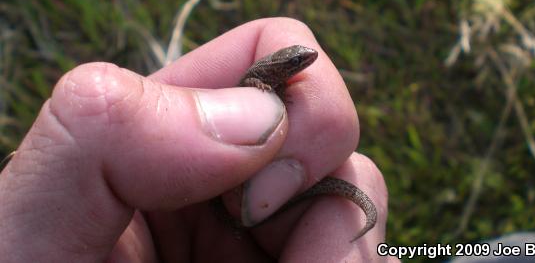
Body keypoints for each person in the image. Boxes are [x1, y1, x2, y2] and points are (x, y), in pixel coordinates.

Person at [0, 18, 391, 262]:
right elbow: (255, 87)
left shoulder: (274, 78)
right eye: (297, 63)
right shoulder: (260, 81)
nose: (305, 63)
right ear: (284, 68)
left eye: (300, 62)